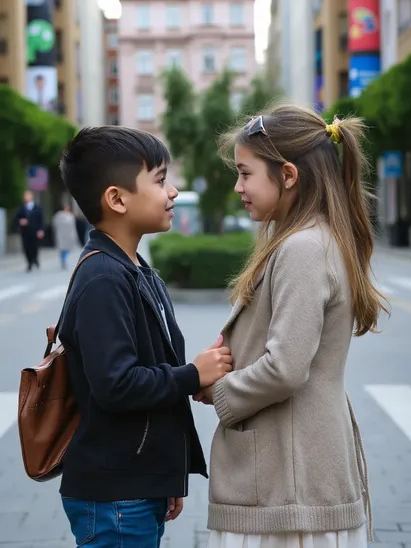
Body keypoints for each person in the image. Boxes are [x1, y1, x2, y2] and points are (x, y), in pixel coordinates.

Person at [194, 106, 388, 548]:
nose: (238, 186)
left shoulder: (302, 248)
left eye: (245, 173)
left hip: (290, 485)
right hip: (293, 475)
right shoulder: (309, 239)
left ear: (287, 175)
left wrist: (218, 390)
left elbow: (285, 367)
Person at [58, 126, 233, 548]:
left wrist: (165, 473)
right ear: (117, 199)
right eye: (159, 180)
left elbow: (151, 367)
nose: (172, 191)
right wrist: (193, 374)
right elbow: (115, 384)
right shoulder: (104, 278)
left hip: (135, 484)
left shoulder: (135, 269)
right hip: (115, 492)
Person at [14, 190, 44, 271]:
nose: (26, 198)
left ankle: (35, 259)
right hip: (25, 232)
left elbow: (41, 219)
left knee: (35, 246)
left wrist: (41, 230)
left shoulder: (37, 207)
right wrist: (20, 222)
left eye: (27, 196)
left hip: (35, 231)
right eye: (25, 196)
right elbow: (16, 219)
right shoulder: (21, 208)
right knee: (26, 247)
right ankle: (29, 262)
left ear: (31, 197)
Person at [52, 204, 78, 269]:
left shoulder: (69, 215)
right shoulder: (59, 215)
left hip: (67, 235)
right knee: (63, 248)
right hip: (63, 234)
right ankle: (63, 259)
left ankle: (64, 259)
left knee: (66, 248)